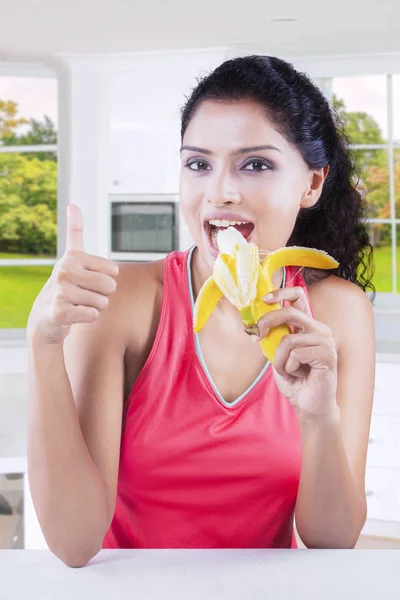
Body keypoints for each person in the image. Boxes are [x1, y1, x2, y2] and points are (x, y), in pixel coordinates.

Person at [26, 55, 376, 567]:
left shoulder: (339, 315)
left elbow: (332, 540)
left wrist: (318, 418)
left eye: (256, 164)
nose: (220, 192)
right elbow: (74, 541)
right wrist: (43, 342)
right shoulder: (120, 301)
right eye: (198, 163)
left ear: (313, 184)